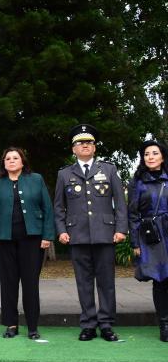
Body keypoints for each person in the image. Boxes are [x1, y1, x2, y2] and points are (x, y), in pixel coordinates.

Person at [54, 124, 127, 341]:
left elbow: (120, 203)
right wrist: (61, 230)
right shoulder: (64, 174)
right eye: (80, 143)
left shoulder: (109, 170)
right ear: (73, 149)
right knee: (83, 282)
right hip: (77, 235)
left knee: (106, 282)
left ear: (94, 147)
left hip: (105, 233)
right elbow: (58, 206)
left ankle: (106, 324)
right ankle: (88, 324)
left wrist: (121, 229)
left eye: (89, 142)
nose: (84, 145)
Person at [0, 148, 54, 339]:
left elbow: (47, 208)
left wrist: (47, 235)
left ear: (22, 161)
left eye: (15, 158)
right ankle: (11, 325)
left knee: (30, 284)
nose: (11, 161)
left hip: (33, 240)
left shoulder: (36, 179)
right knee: (8, 283)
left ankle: (32, 327)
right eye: (8, 158)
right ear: (3, 163)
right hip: (4, 241)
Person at [127, 140, 168, 342]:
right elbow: (132, 214)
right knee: (160, 280)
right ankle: (164, 325)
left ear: (162, 156)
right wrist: (135, 243)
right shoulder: (137, 182)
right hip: (152, 236)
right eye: (146, 154)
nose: (150, 157)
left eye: (154, 153)